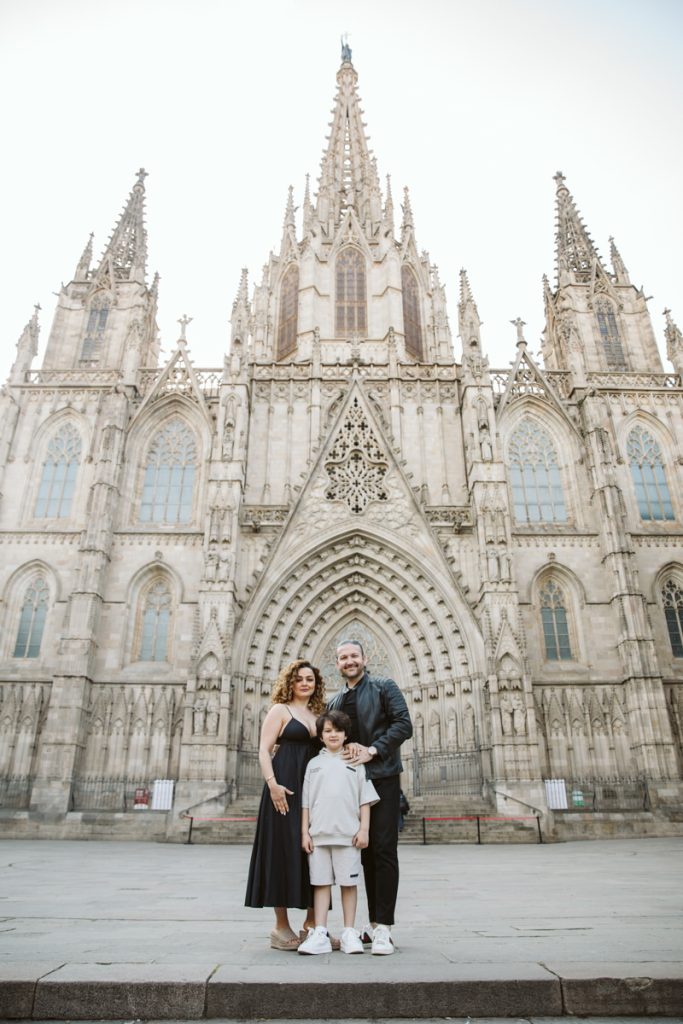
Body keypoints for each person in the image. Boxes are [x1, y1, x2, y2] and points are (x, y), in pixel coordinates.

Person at [327, 639, 413, 955]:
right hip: (350, 785)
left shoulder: (383, 687)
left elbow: (404, 725)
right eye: (342, 658)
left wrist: (373, 750)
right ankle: (373, 922)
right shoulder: (335, 700)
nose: (349, 661)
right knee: (364, 853)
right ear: (336, 663)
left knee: (384, 849)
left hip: (382, 778)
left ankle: (384, 928)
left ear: (365, 658)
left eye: (353, 656)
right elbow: (327, 738)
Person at [244, 659, 326, 950]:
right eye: (299, 679)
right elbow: (264, 750)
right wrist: (273, 785)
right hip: (285, 788)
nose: (305, 683)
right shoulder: (280, 710)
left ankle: (312, 924)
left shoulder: (318, 713)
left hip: (313, 790)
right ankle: (281, 927)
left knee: (314, 852)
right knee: (283, 850)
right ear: (290, 682)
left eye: (310, 679)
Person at [298, 710, 379, 955]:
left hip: (348, 836)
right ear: (321, 737)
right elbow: (306, 803)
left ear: (346, 735)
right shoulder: (313, 764)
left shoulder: (355, 762)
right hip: (319, 835)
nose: (333, 734)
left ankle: (348, 932)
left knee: (348, 883)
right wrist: (305, 833)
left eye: (338, 730)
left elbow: (365, 799)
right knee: (320, 883)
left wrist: (364, 829)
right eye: (328, 731)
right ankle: (321, 932)